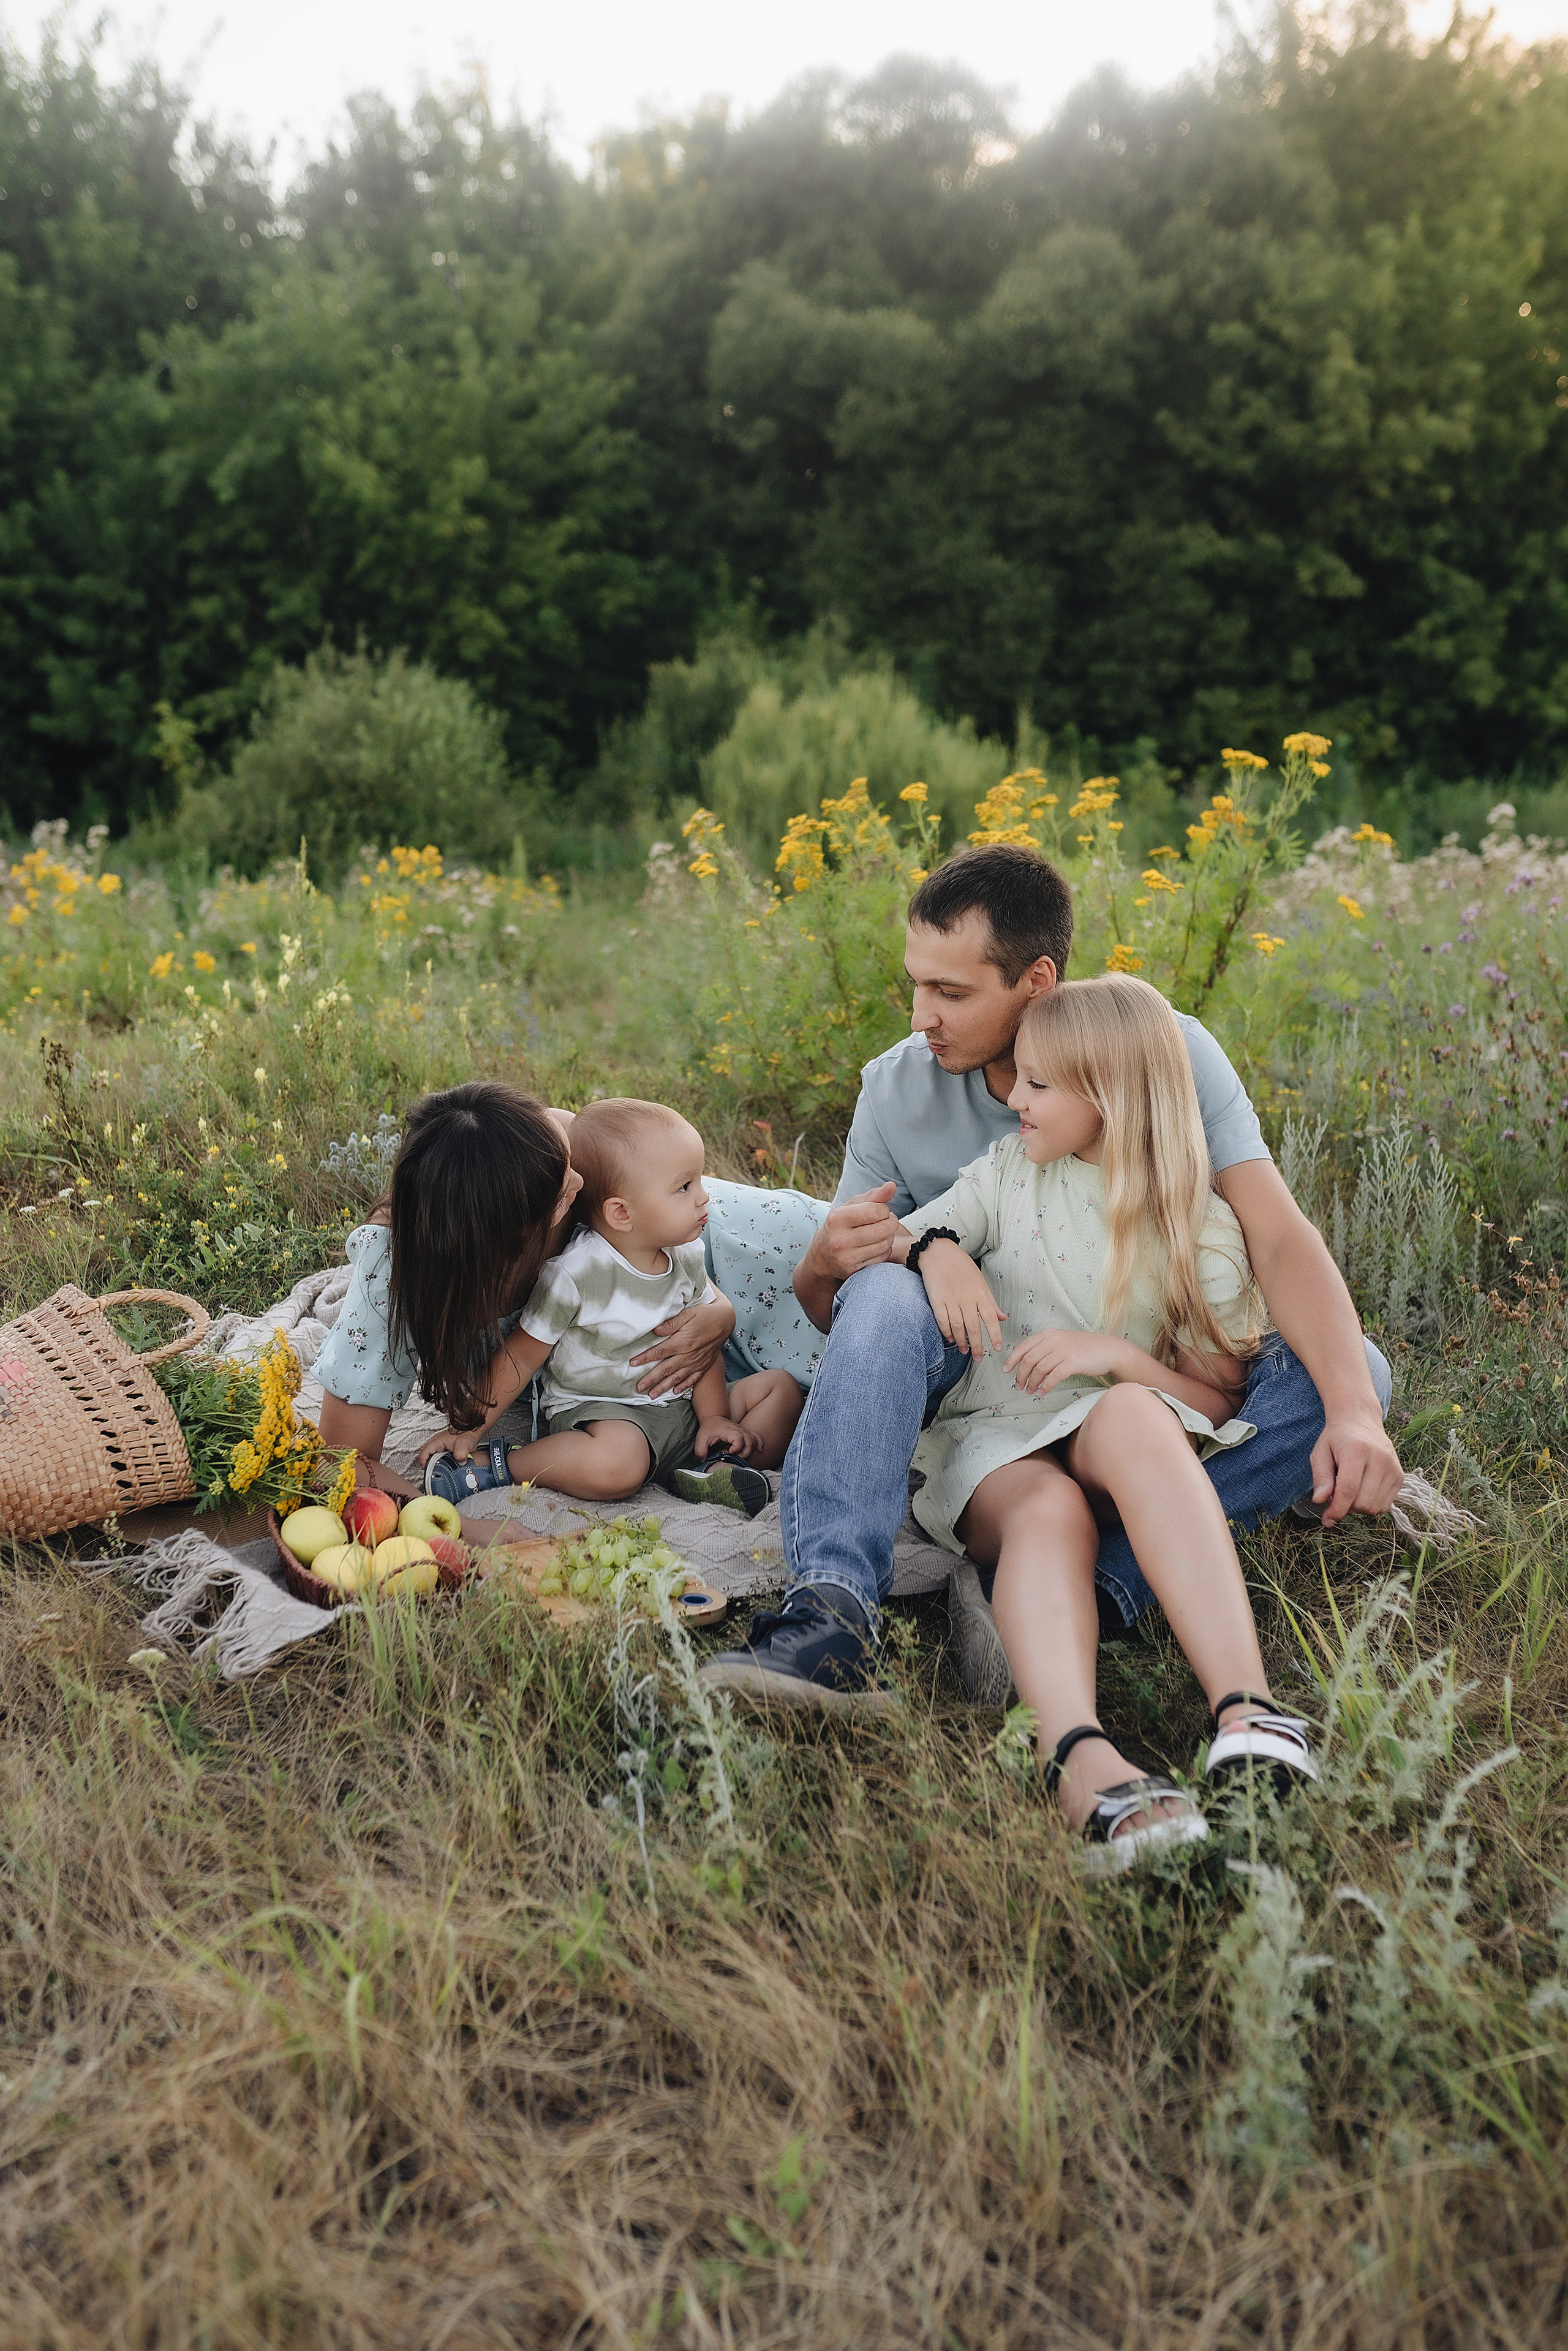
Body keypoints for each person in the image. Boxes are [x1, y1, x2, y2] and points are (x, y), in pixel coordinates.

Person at [702, 841, 1403, 1710]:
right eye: (917, 983)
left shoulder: (1156, 1051)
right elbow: (842, 1313)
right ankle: (834, 1609)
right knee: (883, 1291)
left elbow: (1277, 1235)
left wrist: (1356, 1415)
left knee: (1351, 1376)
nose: (922, 1016)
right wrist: (898, 1253)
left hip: (1140, 1372)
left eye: (952, 992)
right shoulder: (897, 1087)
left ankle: (1091, 1588)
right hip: (982, 1376)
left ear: (1036, 981)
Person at [899, 973, 1315, 1865]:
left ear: (1114, 1097)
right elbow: (906, 1234)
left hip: (1111, 1431)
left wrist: (1122, 1357)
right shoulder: (1006, 1175)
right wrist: (938, 1252)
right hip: (998, 1434)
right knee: (1049, 1511)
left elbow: (1214, 1402)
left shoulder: (1194, 1222)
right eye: (1021, 1076)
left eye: (1041, 1084)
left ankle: (1246, 1710)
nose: (1014, 1096)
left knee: (1132, 1409)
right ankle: (1074, 1755)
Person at [417, 1098, 802, 1514]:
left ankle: (717, 1465)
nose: (704, 1198)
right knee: (618, 1465)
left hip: (684, 1408)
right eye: (685, 1187)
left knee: (781, 1392)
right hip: (606, 1413)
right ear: (621, 1213)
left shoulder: (687, 1255)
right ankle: (501, 1465)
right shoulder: (576, 1275)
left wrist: (714, 1419)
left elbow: (699, 1351)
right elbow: (521, 1356)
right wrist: (467, 1430)